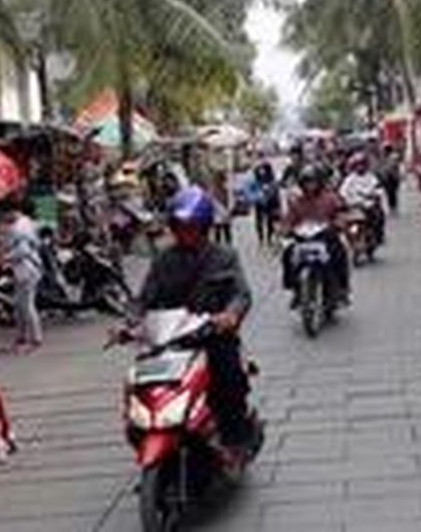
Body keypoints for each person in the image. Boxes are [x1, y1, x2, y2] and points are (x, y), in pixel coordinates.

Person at [134, 187, 255, 450]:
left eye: (192, 226)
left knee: (228, 378)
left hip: (212, 336)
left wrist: (230, 315)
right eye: (180, 226)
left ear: (204, 227)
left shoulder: (224, 256)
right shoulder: (164, 260)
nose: (185, 232)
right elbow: (144, 297)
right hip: (170, 337)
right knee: (141, 382)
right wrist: (129, 323)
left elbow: (241, 293)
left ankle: (236, 438)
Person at [281, 165, 349, 304]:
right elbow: (289, 219)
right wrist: (286, 229)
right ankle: (295, 288)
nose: (310, 186)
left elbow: (340, 212)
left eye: (312, 182)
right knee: (288, 254)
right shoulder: (297, 201)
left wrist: (338, 222)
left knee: (339, 252)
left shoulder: (330, 198)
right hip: (303, 239)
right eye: (306, 182)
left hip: (325, 237)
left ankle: (342, 288)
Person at [0, 199, 43, 351]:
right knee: (19, 305)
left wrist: (6, 257)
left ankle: (34, 338)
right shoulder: (25, 222)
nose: (3, 218)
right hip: (25, 269)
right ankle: (22, 337)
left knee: (26, 305)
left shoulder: (19, 228)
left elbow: (23, 250)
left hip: (27, 269)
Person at [339, 153, 386, 246]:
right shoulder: (349, 179)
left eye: (362, 164)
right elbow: (342, 191)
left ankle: (377, 235)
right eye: (358, 165)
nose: (360, 167)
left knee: (379, 215)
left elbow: (378, 189)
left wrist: (375, 196)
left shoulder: (371, 178)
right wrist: (343, 199)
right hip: (353, 206)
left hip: (368, 206)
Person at [251, 161, 280, 247]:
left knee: (269, 222)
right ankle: (262, 239)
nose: (262, 171)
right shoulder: (257, 179)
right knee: (260, 221)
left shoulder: (271, 180)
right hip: (260, 203)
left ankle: (268, 238)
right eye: (260, 170)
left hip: (269, 203)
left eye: (263, 169)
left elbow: (275, 192)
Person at [378, 145, 402, 215]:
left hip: (392, 178)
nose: (383, 152)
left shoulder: (392, 158)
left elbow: (390, 167)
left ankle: (393, 207)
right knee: (390, 193)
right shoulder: (386, 158)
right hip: (388, 178)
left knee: (392, 193)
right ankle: (392, 207)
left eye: (384, 151)